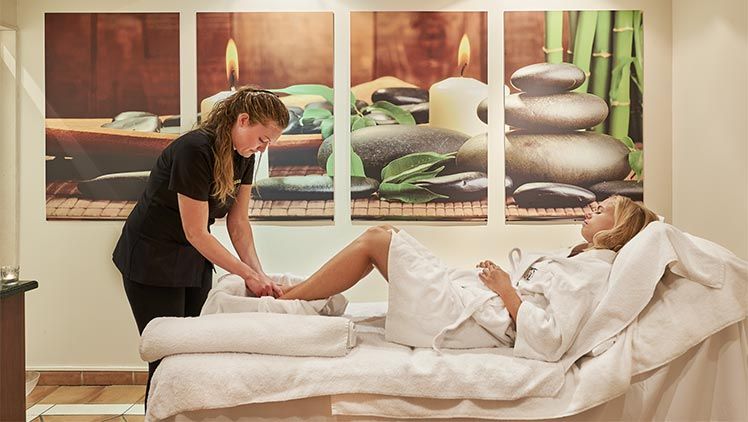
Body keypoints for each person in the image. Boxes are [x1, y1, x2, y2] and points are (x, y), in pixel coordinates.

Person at [280, 195, 659, 360]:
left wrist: (505, 290)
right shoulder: (582, 258)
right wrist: (500, 281)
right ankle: (296, 296)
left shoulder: (593, 271)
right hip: (472, 304)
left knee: (379, 240)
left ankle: (288, 299)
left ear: (618, 228)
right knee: (386, 235)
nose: (590, 209)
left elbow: (551, 340)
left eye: (601, 210)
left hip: (464, 320)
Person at [112, 86, 289, 404]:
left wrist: (260, 276)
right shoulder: (194, 150)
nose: (264, 148)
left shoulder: (244, 156)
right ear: (243, 120)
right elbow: (195, 231)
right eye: (263, 139)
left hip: (192, 258)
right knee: (167, 358)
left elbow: (238, 224)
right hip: (152, 257)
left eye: (270, 143)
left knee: (195, 353)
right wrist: (248, 275)